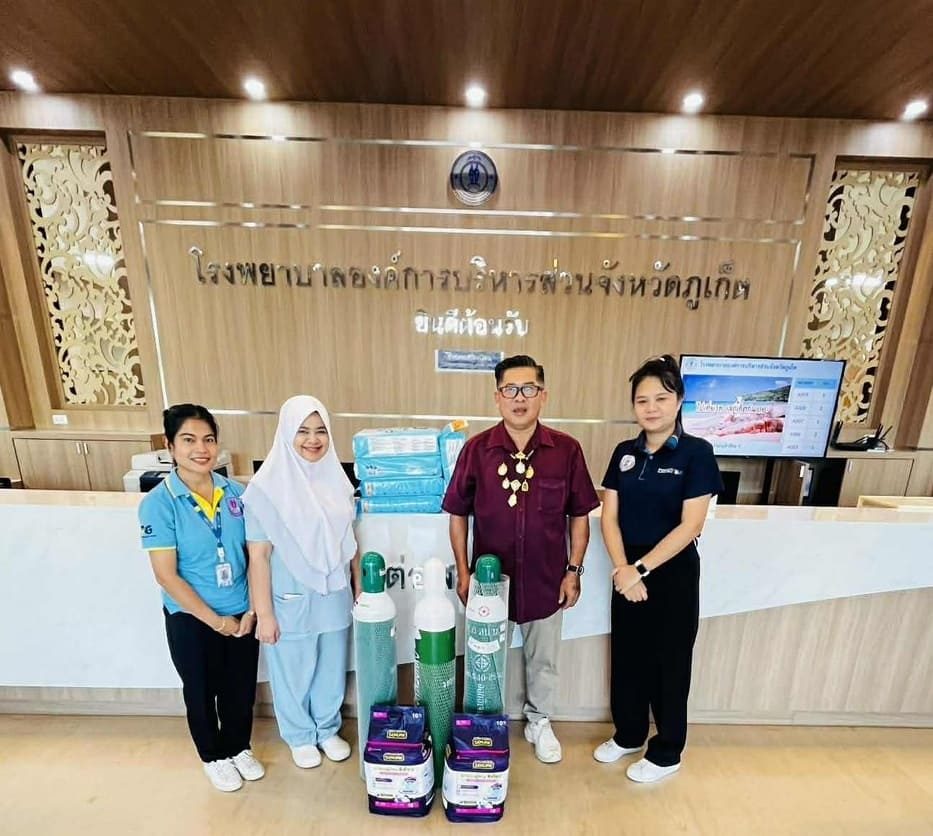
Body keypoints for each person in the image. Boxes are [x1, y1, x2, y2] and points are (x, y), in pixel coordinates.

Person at [443, 355, 600, 763]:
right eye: (510, 389)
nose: (519, 398)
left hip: (547, 580)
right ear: (497, 397)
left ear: (542, 396)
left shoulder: (566, 450)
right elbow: (457, 514)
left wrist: (573, 570)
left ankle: (539, 721)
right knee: (484, 658)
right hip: (489, 583)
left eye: (528, 389)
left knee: (543, 660)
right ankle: (484, 722)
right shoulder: (477, 450)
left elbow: (579, 516)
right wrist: (464, 572)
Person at [593, 355, 723, 783]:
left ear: (679, 401)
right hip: (626, 569)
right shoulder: (624, 453)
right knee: (628, 656)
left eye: (661, 398)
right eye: (642, 400)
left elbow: (692, 525)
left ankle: (667, 751)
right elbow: (609, 516)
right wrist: (622, 568)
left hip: (671, 571)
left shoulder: (696, 453)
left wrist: (640, 569)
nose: (651, 408)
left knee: (669, 663)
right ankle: (629, 733)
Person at [138, 404, 263, 792]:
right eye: (189, 440)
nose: (201, 449)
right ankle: (213, 756)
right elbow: (166, 574)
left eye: (208, 439)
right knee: (201, 689)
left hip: (241, 611)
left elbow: (256, 555)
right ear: (170, 446)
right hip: (191, 617)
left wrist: (253, 609)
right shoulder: (158, 503)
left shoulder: (237, 493)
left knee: (240, 688)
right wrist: (216, 621)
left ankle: (238, 746)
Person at [243, 395, 360, 769]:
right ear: (286, 434)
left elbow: (351, 544)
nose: (313, 440)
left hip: (334, 594)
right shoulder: (264, 490)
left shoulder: (338, 483)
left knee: (331, 667)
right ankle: (299, 735)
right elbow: (258, 557)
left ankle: (327, 729)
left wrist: (359, 590)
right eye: (303, 431)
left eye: (321, 431)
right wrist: (265, 615)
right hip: (289, 598)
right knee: (293, 669)